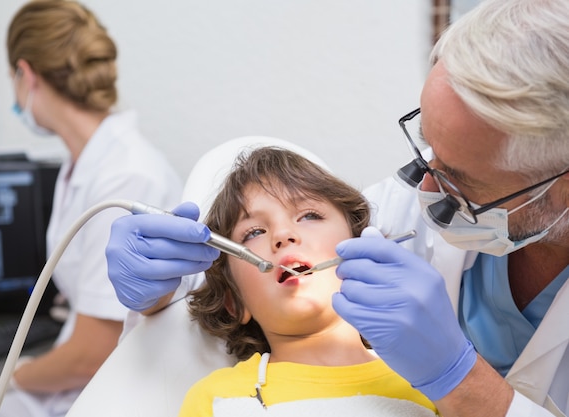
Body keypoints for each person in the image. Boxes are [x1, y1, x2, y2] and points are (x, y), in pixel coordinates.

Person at [104, 1, 569, 416]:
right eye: (426, 149)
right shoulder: (222, 396)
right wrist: (164, 285)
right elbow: (237, 273)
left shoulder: (415, 396)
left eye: (460, 180)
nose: (424, 186)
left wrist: (458, 380)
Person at [2, 1, 182, 415]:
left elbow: (92, 353)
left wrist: (14, 376)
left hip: (118, 387)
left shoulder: (125, 175)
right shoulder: (85, 161)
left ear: (25, 75)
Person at [178, 146, 437, 416]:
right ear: (234, 302)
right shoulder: (217, 399)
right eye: (254, 232)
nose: (282, 234)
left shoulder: (431, 386)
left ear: (364, 253)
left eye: (309, 215)